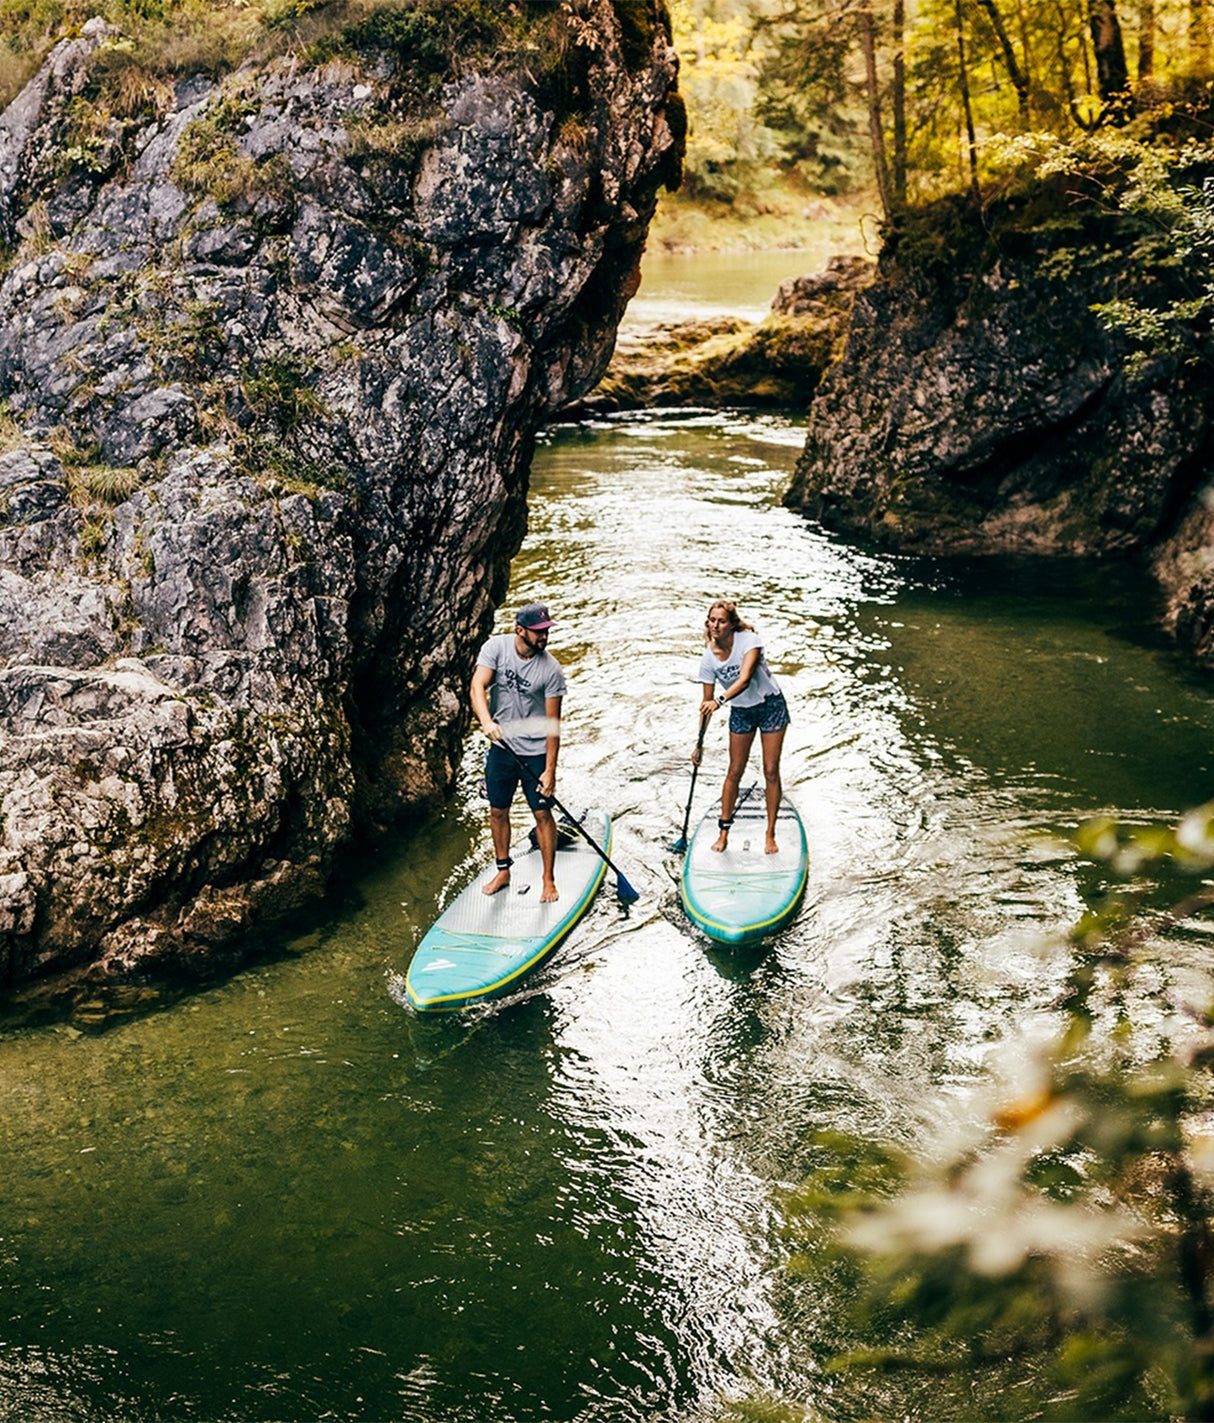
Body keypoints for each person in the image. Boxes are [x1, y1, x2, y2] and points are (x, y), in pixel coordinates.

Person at [470, 601, 565, 902]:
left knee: (542, 813)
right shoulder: (495, 648)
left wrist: (550, 771)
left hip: (536, 753)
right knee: (498, 810)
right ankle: (503, 870)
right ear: (519, 630)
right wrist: (486, 721)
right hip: (502, 749)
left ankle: (548, 879)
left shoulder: (551, 671)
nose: (544, 638)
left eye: (546, 631)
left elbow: (553, 726)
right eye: (537, 632)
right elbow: (477, 686)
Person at [691, 598, 790, 854]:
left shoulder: (749, 641)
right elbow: (706, 704)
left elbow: (745, 680)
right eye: (712, 621)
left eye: (721, 621)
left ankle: (770, 834)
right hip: (741, 712)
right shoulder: (708, 659)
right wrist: (699, 744)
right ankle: (723, 834)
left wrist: (719, 701)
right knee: (734, 771)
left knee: (770, 770)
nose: (716, 625)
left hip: (771, 706)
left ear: (731, 624)